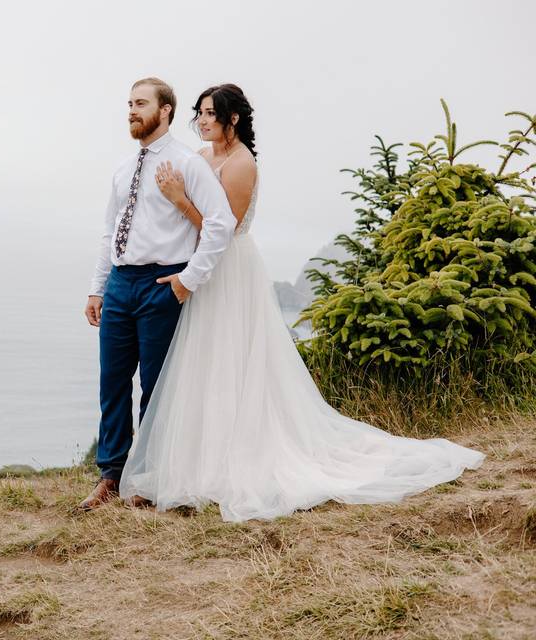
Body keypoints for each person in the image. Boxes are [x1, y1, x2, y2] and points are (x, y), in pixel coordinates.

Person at [117, 84, 485, 521]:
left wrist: (180, 200)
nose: (202, 121)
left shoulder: (240, 164)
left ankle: (242, 456)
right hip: (201, 267)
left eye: (211, 114)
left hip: (230, 267)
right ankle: (199, 458)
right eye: (199, 113)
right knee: (204, 361)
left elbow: (226, 229)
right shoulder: (200, 159)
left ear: (233, 118)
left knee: (234, 358)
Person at [78, 77, 237, 512]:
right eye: (129, 103)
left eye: (140, 103)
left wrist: (189, 279)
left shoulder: (189, 164)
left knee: (156, 388)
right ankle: (110, 476)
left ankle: (148, 480)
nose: (131, 110)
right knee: (112, 383)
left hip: (162, 284)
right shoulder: (122, 169)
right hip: (121, 285)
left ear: (165, 110)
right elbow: (110, 232)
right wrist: (98, 287)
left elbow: (220, 224)